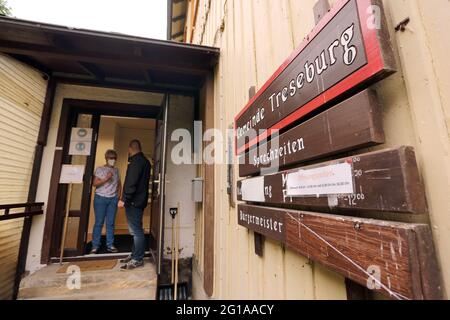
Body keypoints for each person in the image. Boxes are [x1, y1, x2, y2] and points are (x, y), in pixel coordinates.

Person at [118, 140, 151, 270]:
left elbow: (131, 182)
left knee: (136, 231)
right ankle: (134, 255)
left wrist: (124, 199)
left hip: (133, 201)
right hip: (140, 200)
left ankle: (137, 259)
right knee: (136, 229)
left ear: (130, 148)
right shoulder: (146, 161)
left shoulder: (135, 162)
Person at [91, 149, 121, 254]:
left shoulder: (116, 170)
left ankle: (110, 245)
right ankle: (95, 246)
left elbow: (119, 184)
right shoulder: (100, 169)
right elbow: (95, 183)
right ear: (106, 158)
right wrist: (106, 178)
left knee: (111, 223)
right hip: (100, 198)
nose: (112, 160)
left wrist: (118, 197)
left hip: (113, 199)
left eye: (114, 158)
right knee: (99, 222)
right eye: (110, 158)